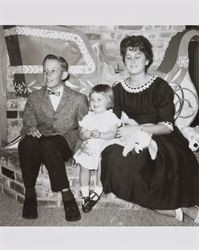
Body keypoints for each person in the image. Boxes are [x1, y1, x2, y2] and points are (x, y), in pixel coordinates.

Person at [101, 35, 199, 223]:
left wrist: (139, 129)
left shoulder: (160, 86)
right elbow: (115, 122)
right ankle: (170, 210)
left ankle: (185, 207)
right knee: (111, 157)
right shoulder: (118, 90)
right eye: (128, 57)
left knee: (152, 161)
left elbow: (167, 127)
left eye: (137, 56)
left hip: (161, 137)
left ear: (147, 60)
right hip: (131, 139)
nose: (132, 61)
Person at [18, 54, 88, 222]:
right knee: (27, 143)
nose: (47, 75)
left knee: (49, 145)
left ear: (63, 75)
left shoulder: (79, 99)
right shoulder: (34, 97)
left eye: (53, 71)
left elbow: (85, 128)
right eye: (45, 71)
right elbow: (27, 123)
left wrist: (79, 152)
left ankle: (67, 196)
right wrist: (30, 129)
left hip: (64, 142)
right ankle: (30, 195)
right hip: (40, 139)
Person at [74, 84, 121, 213]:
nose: (95, 102)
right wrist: (85, 135)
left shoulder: (111, 117)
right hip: (90, 147)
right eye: (92, 99)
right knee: (84, 166)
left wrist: (101, 134)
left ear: (109, 101)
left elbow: (112, 134)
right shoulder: (88, 117)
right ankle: (85, 194)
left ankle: (97, 190)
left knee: (102, 164)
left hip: (104, 146)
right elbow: (81, 133)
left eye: (99, 99)